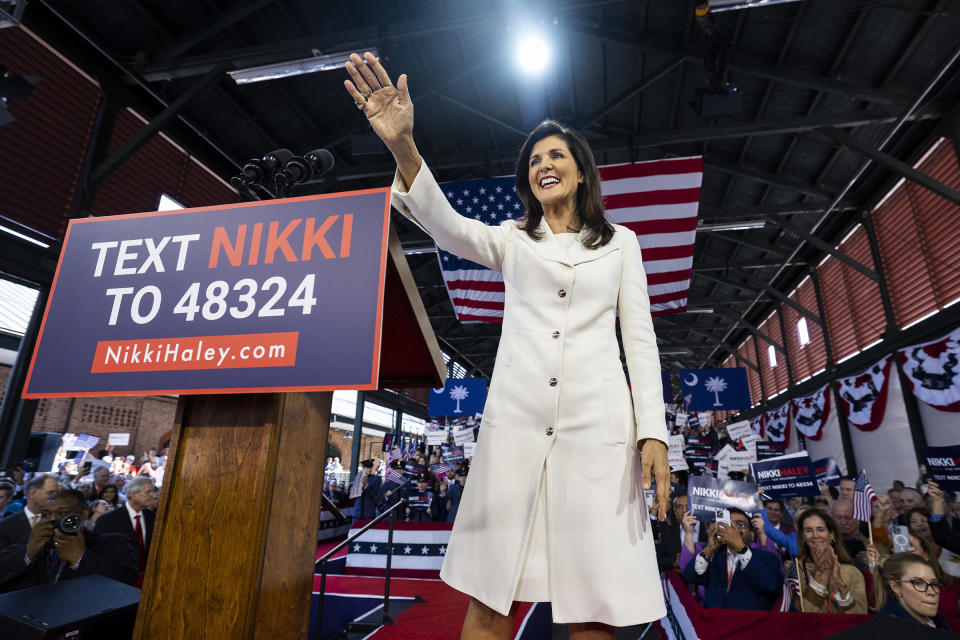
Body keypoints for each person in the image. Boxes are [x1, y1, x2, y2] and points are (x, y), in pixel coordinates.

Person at [344, 52, 671, 636]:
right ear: (527, 180)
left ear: (581, 172)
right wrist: (403, 146)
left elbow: (640, 342)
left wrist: (654, 431)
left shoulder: (623, 244)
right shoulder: (512, 240)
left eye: (557, 155)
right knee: (493, 594)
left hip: (598, 436)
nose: (545, 164)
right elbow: (447, 227)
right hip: (515, 432)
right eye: (535, 160)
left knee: (595, 602)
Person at [0, 489, 138, 593]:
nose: (53, 519)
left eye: (63, 513)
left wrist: (79, 557)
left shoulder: (113, 543)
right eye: (46, 515)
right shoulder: (31, 545)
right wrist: (28, 553)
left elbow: (124, 584)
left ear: (84, 514)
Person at [682, 508, 781, 610]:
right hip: (714, 623)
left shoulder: (767, 557)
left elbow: (771, 585)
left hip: (750, 624)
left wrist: (739, 547)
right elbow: (690, 576)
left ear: (752, 534)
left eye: (740, 524)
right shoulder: (712, 556)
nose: (733, 529)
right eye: (728, 524)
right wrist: (709, 549)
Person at [794, 508, 867, 613]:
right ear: (803, 536)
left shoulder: (853, 572)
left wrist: (839, 583)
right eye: (808, 531)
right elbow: (806, 614)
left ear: (831, 534)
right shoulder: (795, 570)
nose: (815, 536)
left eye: (820, 529)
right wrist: (819, 578)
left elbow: (859, 616)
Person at [93, 476, 157, 580]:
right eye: (148, 492)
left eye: (153, 491)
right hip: (118, 579)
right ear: (133, 494)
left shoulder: (154, 518)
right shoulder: (108, 520)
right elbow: (99, 552)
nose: (154, 496)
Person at [874, 552, 952, 629]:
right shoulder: (885, 630)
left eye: (934, 584)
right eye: (918, 583)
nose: (932, 592)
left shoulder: (939, 622)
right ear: (895, 587)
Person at [0, 474, 59, 550]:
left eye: (57, 493)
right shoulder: (5, 525)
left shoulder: (56, 522)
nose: (56, 497)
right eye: (51, 492)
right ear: (33, 493)